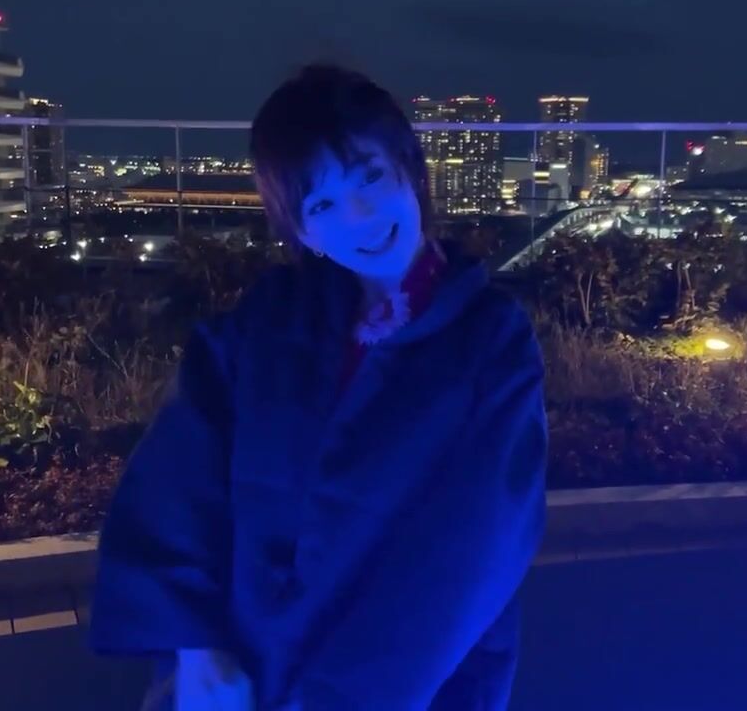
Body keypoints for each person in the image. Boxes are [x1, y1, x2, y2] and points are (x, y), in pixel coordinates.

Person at [88, 64, 549, 711]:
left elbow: (472, 552)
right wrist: (197, 646)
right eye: (322, 204)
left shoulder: (489, 340)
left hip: (410, 688)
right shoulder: (264, 325)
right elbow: (179, 478)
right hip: (242, 678)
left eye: (370, 177)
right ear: (302, 232)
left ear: (410, 170)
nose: (360, 217)